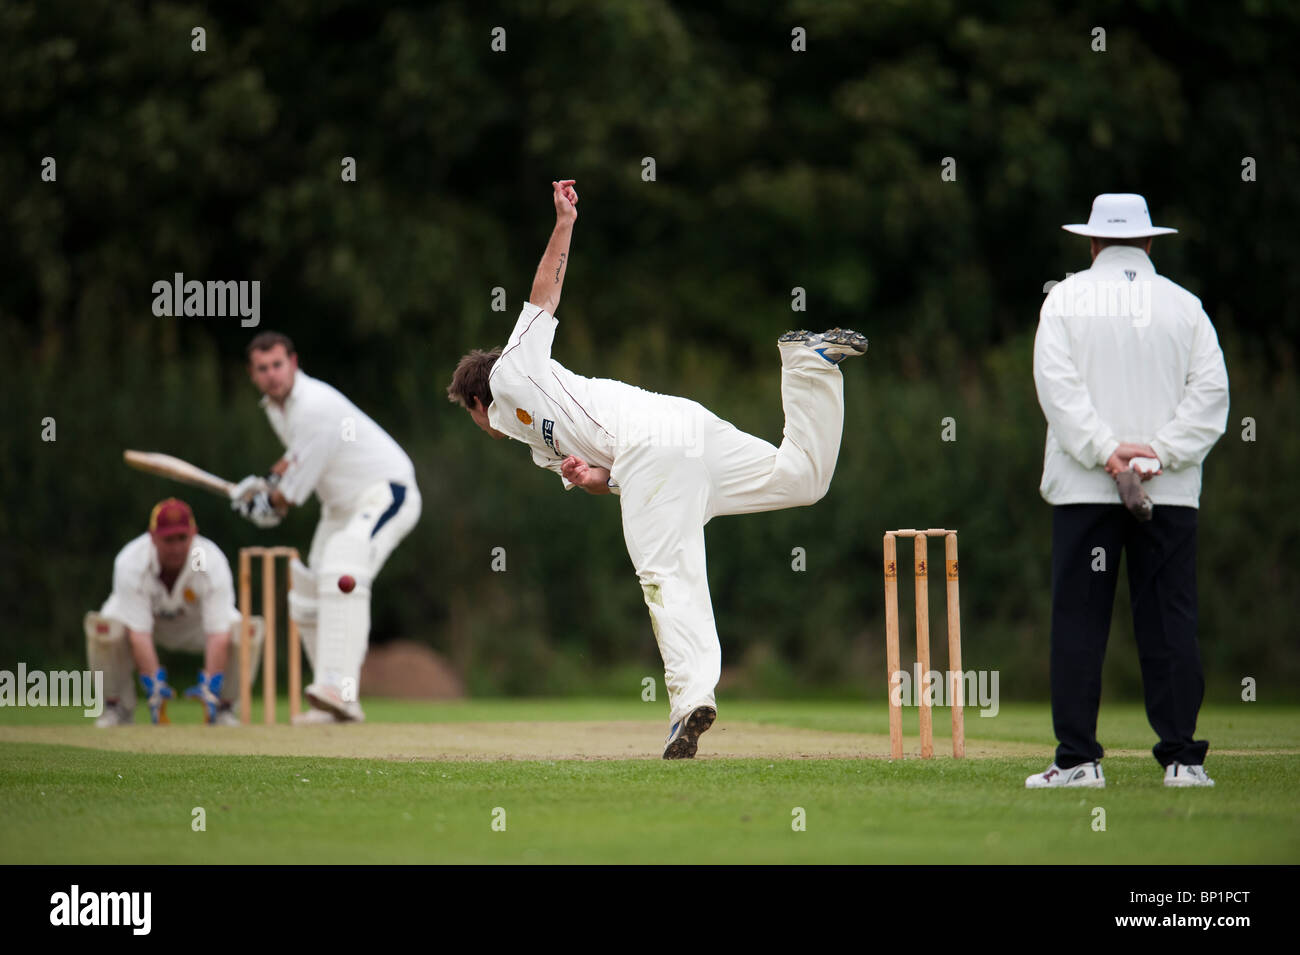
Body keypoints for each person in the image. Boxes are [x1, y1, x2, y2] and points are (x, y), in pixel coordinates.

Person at [447, 180, 867, 758]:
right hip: (682, 431)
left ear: (476, 402)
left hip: (654, 440)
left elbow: (544, 296)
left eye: (472, 416)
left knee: (666, 572)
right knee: (801, 479)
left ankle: (690, 701)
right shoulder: (540, 447)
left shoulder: (510, 373)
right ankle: (807, 367)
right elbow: (610, 482)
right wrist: (590, 479)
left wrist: (564, 222)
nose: (480, 426)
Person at [1028, 193, 1229, 788]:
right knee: (1170, 620)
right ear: (1147, 242)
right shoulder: (1185, 306)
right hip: (1168, 489)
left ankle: (1078, 761)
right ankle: (1183, 761)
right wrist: (1159, 452)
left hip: (1085, 486)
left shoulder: (1065, 298)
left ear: (1093, 243)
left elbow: (1056, 388)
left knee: (1080, 620)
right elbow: (1211, 396)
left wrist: (1104, 450)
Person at [234, 331, 421, 723]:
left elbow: (289, 497)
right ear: (252, 374)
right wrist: (265, 483)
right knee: (307, 589)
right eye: (262, 368)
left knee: (344, 564)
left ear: (293, 363)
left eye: (277, 365)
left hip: (384, 492)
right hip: (339, 506)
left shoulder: (314, 405)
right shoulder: (276, 408)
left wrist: (267, 502)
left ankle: (340, 687)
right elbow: (296, 458)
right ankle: (334, 703)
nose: (271, 375)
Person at [86, 498, 262, 726]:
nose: (176, 548)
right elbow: (139, 635)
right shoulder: (132, 561)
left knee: (245, 631)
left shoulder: (205, 560)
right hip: (143, 625)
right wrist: (155, 690)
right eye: (168, 539)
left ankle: (222, 708)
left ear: (194, 534)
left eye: (182, 538)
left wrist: (210, 688)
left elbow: (218, 634)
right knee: (105, 628)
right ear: (152, 537)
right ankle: (116, 707)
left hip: (196, 626)